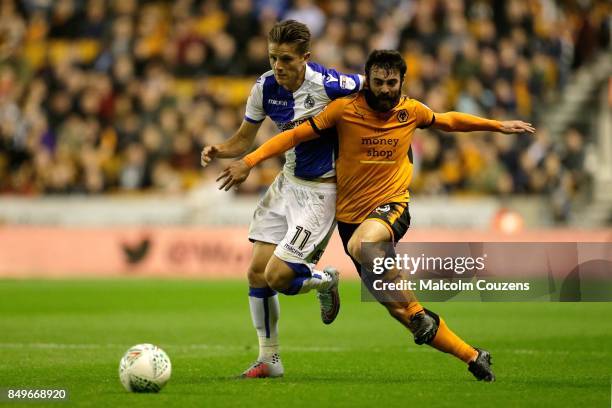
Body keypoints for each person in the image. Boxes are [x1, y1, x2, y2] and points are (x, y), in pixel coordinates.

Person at [217, 49, 536, 381]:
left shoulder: (410, 110)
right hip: (350, 218)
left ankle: (413, 297)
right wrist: (250, 162)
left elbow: (449, 120)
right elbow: (293, 136)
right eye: (379, 82)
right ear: (367, 80)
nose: (385, 89)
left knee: (363, 245)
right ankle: (472, 356)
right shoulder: (343, 110)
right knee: (401, 311)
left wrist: (497, 126)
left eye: (392, 83)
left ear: (402, 82)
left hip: (390, 207)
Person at [201, 20, 364, 378]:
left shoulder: (330, 84)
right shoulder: (264, 86)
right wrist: (220, 149)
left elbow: (379, 90)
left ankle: (326, 281)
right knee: (256, 273)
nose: (278, 66)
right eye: (273, 57)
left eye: (287, 59)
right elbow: (245, 138)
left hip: (322, 193)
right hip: (287, 184)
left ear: (306, 57)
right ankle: (269, 360)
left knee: (278, 276)